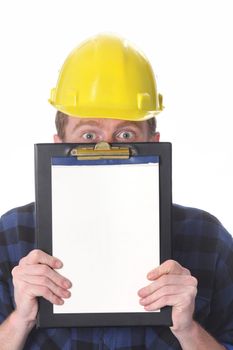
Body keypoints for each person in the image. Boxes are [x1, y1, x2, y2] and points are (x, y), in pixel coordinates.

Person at [0, 34, 233, 350]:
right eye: (88, 133)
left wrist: (188, 330)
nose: (105, 147)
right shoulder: (12, 233)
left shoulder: (207, 236)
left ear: (153, 142)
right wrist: (20, 319)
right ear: (59, 144)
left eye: (126, 133)